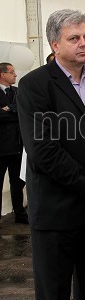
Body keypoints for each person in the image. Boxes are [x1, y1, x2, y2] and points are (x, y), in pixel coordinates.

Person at [16, 9, 85, 300]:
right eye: (74, 38)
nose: (83, 43)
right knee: (54, 291)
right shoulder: (34, 85)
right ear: (55, 45)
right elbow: (43, 150)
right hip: (56, 210)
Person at [0, 62, 28, 224]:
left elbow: (23, 110)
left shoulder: (17, 92)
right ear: (2, 74)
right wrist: (14, 111)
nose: (15, 75)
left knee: (18, 183)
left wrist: (9, 109)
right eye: (12, 72)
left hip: (17, 147)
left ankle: (20, 214)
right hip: (2, 148)